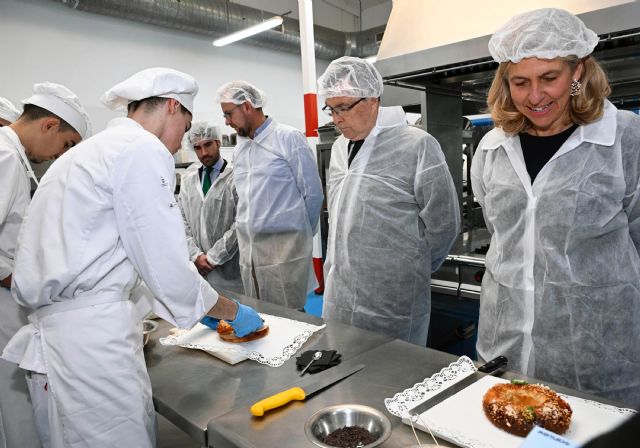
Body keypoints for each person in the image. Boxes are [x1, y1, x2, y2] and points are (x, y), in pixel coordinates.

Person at [1, 68, 263, 448]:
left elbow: (111, 254)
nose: (180, 145)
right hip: (93, 349)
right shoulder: (141, 149)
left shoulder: (90, 153)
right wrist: (227, 310)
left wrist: (187, 300)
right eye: (185, 128)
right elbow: (166, 265)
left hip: (62, 343)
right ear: (173, 107)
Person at [471, 8, 640, 407]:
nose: (535, 96)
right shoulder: (493, 149)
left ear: (578, 71)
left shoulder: (622, 139)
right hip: (504, 345)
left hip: (595, 352)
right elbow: (502, 236)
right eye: (520, 82)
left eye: (550, 78)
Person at [317, 57, 460, 345]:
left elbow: (445, 223)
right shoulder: (339, 148)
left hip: (393, 299)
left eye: (343, 107)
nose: (336, 118)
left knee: (394, 378)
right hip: (340, 293)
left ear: (372, 100)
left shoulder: (416, 144)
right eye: (331, 109)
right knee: (341, 374)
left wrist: (409, 268)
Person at [0, 82, 90, 448]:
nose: (58, 156)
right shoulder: (5, 157)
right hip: (5, 300)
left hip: (10, 297)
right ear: (49, 125)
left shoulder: (14, 157)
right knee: (15, 404)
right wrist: (11, 275)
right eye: (66, 145)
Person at [215, 81, 323, 309]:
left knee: (293, 319)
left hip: (285, 253)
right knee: (261, 317)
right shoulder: (240, 148)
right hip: (250, 253)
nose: (226, 122)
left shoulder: (288, 138)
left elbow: (313, 194)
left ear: (246, 106)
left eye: (228, 114)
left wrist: (298, 235)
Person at [178, 122, 243, 293]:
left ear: (218, 142)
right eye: (197, 148)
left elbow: (241, 222)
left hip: (231, 271)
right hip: (197, 269)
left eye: (208, 145)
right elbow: (180, 220)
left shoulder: (235, 176)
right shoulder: (188, 179)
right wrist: (195, 255)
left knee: (234, 314)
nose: (204, 153)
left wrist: (214, 257)